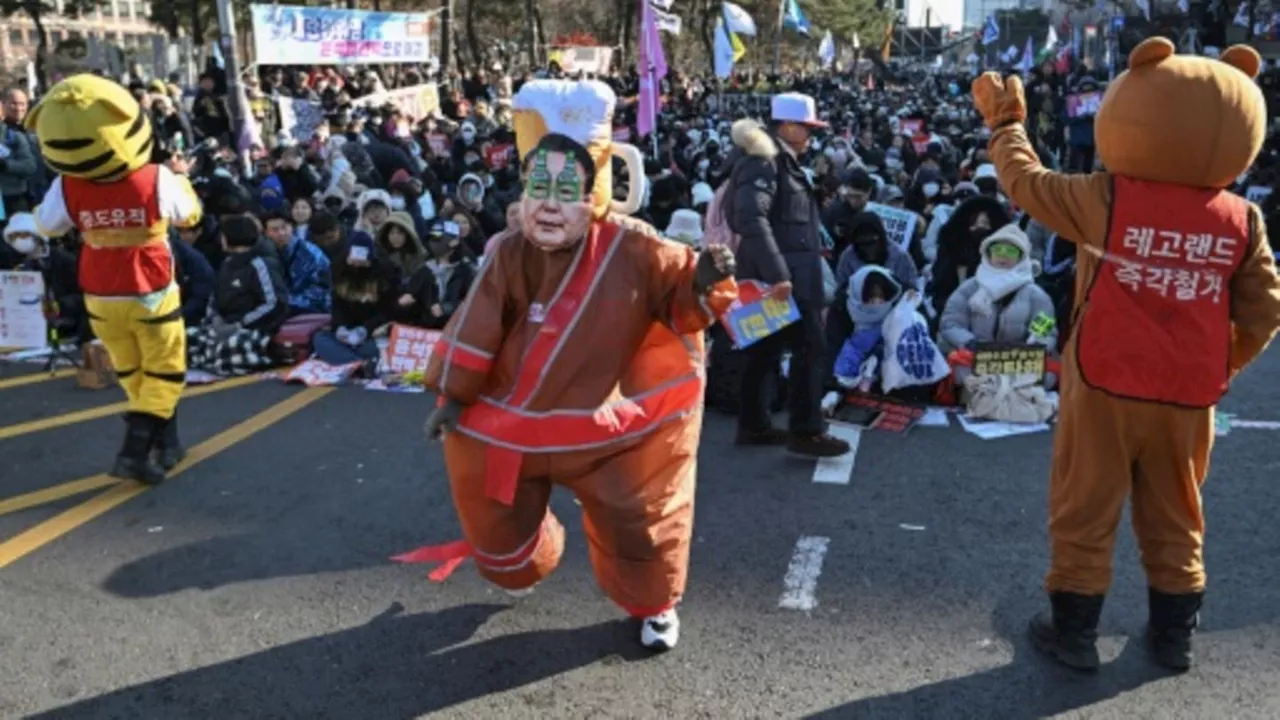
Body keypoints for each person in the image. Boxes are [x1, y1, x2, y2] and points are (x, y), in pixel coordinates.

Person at [394, 79, 737, 652]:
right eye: (538, 184)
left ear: (596, 186)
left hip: (611, 426)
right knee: (488, 503)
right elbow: (477, 322)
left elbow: (682, 301)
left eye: (566, 187)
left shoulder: (637, 246)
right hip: (515, 422)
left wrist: (703, 279)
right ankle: (527, 558)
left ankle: (654, 605)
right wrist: (452, 397)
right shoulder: (508, 250)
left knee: (643, 517)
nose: (550, 202)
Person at [972, 39, 1280, 673]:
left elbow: (1027, 184)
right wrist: (1224, 363)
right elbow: (1264, 311)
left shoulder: (1106, 197)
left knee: (1085, 503)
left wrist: (1007, 125)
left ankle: (1074, 634)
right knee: (1177, 509)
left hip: (1106, 377)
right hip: (1190, 391)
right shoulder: (1242, 219)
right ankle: (1175, 640)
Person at [28, 74, 202, 485]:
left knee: (132, 370)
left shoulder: (67, 185)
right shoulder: (156, 178)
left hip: (100, 292)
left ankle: (166, 445)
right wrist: (181, 178)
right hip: (150, 287)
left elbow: (48, 225)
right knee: (164, 371)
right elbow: (189, 215)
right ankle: (136, 449)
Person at [728, 93, 851, 458]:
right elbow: (750, 217)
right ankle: (806, 431)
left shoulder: (777, 160)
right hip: (785, 281)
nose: (812, 134)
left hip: (783, 276)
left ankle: (753, 425)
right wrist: (779, 275)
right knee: (810, 349)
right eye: (808, 127)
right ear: (788, 126)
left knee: (764, 352)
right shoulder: (764, 161)